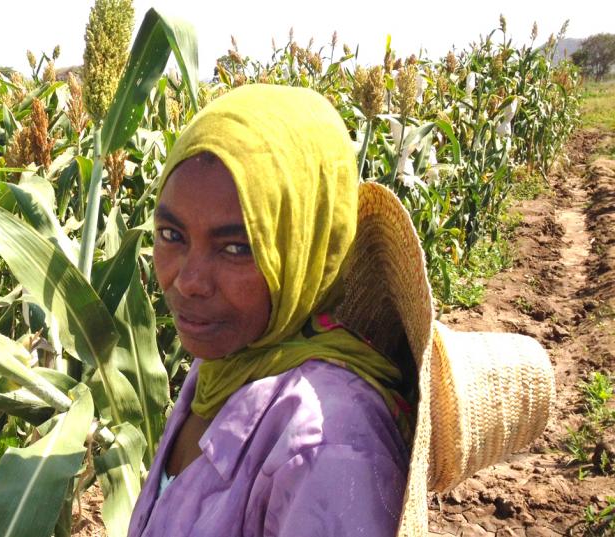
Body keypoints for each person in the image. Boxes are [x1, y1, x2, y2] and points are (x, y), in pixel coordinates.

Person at [127, 85, 555, 537]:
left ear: (303, 247)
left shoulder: (325, 444)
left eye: (236, 247)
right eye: (171, 235)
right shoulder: (227, 361)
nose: (189, 281)